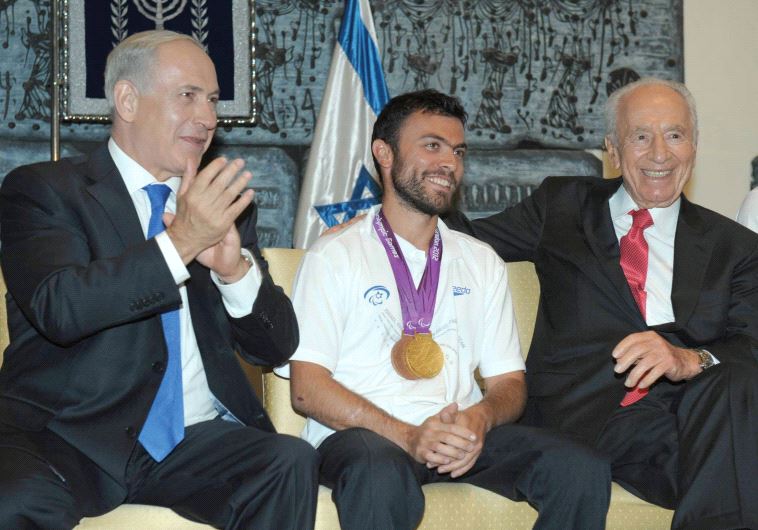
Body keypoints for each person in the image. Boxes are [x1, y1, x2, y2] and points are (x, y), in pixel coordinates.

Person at [0, 30, 318, 529]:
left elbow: (276, 348)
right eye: (187, 95)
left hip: (192, 439)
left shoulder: (220, 207)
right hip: (67, 436)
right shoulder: (45, 190)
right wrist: (181, 242)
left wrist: (234, 272)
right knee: (15, 501)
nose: (207, 117)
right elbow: (60, 308)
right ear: (127, 100)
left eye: (212, 100)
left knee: (286, 462)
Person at [276, 89, 611, 530]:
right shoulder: (335, 254)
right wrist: (409, 436)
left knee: (579, 468)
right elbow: (307, 389)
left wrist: (479, 418)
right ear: (384, 153)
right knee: (380, 474)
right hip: (364, 439)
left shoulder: (480, 260)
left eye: (457, 151)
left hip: (458, 436)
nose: (449, 163)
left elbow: (509, 383)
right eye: (432, 145)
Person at [444, 77, 758, 529]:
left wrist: (687, 359)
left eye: (675, 135)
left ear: (694, 145)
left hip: (691, 418)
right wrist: (374, 225)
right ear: (612, 148)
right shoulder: (562, 205)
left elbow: (749, 344)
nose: (660, 154)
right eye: (641, 137)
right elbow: (461, 241)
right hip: (585, 413)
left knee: (736, 381)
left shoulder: (736, 246)